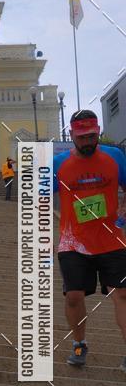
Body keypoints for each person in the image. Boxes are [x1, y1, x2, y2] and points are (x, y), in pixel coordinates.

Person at [53, 110, 126, 371]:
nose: (87, 142)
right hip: (73, 243)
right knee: (73, 296)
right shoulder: (58, 163)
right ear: (71, 135)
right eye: (82, 137)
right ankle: (79, 344)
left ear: (98, 132)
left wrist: (123, 213)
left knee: (123, 293)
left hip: (112, 240)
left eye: (92, 136)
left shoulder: (115, 157)